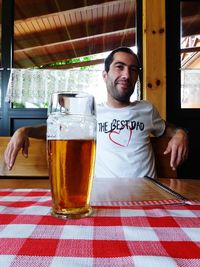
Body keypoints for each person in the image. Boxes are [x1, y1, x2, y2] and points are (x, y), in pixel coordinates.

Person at [4, 47, 188, 178]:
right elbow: (55, 129)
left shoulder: (146, 109)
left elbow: (166, 129)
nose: (126, 75)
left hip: (146, 193)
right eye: (120, 67)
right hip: (103, 193)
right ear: (105, 75)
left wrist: (181, 134)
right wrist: (24, 131)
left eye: (133, 70)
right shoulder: (90, 111)